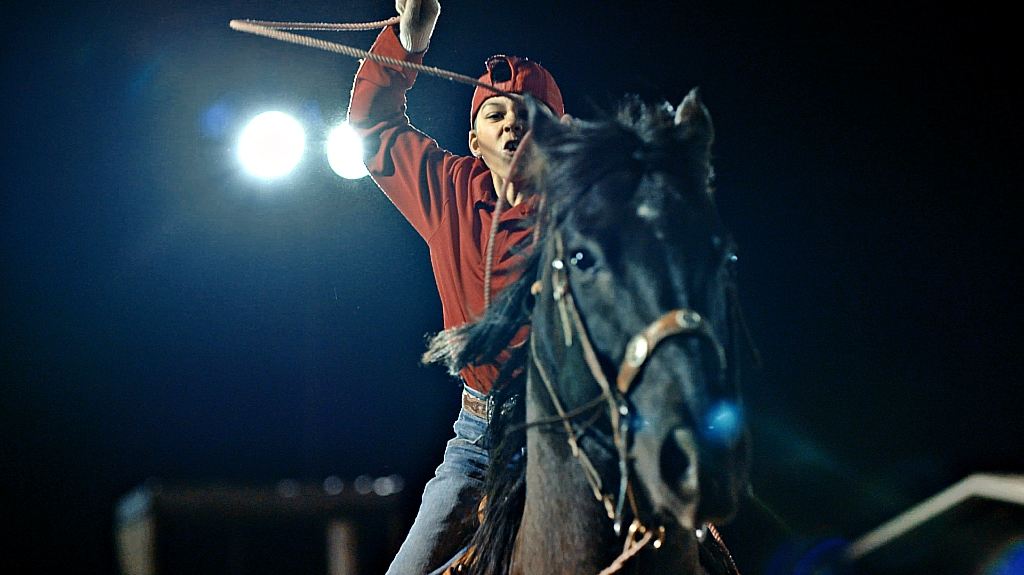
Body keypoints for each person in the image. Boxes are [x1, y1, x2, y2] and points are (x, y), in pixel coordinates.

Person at [346, 0, 564, 573]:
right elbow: (373, 125)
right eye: (496, 115)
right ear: (474, 139)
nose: (512, 123)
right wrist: (408, 41)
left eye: (527, 113)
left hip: (567, 434)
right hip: (476, 440)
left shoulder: (585, 211)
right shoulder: (447, 190)